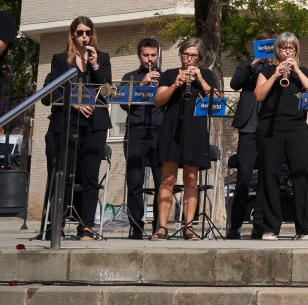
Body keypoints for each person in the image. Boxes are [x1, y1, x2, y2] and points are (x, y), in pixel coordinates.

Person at [40, 17, 112, 240]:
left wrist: (95, 65)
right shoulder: (60, 60)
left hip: (95, 124)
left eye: (88, 32)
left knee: (90, 176)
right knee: (65, 175)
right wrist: (75, 103)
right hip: (67, 123)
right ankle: (58, 225)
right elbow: (53, 91)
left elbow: (107, 92)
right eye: (80, 32)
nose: (84, 36)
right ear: (72, 34)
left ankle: (87, 227)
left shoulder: (103, 59)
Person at [252, 32, 308, 240]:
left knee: (300, 175)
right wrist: (275, 75)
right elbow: (258, 95)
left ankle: (306, 227)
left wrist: (297, 71)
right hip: (269, 128)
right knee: (270, 176)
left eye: (291, 48)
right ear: (277, 51)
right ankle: (270, 227)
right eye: (283, 48)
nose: (287, 52)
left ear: (296, 51)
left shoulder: (304, 72)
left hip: (296, 128)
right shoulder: (266, 70)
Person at [154, 37, 221, 240]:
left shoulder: (207, 74)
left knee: (192, 179)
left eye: (193, 55)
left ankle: (189, 227)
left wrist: (200, 79)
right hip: (172, 127)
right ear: (181, 55)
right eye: (186, 54)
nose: (189, 59)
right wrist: (175, 85)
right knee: (168, 179)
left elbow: (217, 99)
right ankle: (162, 227)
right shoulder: (169, 74)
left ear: (199, 58)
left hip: (196, 128)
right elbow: (158, 101)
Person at [120, 39, 164, 239]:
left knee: (161, 182)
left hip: (160, 132)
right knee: (135, 181)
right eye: (146, 55)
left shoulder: (166, 77)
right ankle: (136, 226)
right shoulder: (129, 77)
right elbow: (123, 103)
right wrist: (143, 84)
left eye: (153, 55)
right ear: (139, 55)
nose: (150, 59)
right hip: (136, 132)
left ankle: (159, 226)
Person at [227, 47, 268, 239]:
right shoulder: (245, 66)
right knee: (243, 178)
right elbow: (235, 84)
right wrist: (252, 66)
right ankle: (234, 226)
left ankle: (258, 225)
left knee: (265, 179)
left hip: (268, 127)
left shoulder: (276, 68)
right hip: (248, 128)